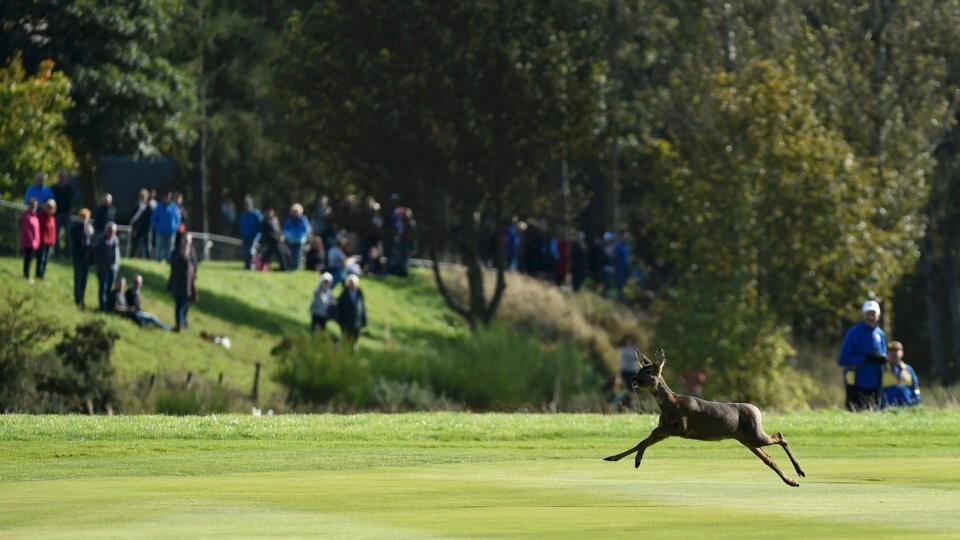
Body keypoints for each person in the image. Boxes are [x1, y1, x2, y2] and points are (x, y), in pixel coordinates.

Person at [838, 300, 888, 411]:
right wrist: (864, 358)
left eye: (873, 314)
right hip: (856, 384)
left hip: (876, 384)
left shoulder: (881, 334)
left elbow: (885, 357)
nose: (871, 317)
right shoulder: (853, 333)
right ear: (863, 315)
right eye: (868, 314)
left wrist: (883, 359)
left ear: (878, 316)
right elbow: (843, 360)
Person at [168, 233, 198, 331]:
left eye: (188, 240)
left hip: (189, 283)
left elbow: (195, 265)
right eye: (185, 239)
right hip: (178, 282)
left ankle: (184, 322)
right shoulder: (177, 250)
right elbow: (172, 262)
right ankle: (179, 325)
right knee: (179, 305)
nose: (186, 242)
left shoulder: (192, 251)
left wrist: (194, 278)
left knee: (186, 304)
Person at [882, 341, 921, 408]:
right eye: (891, 351)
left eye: (896, 351)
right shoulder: (882, 369)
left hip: (907, 403)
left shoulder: (908, 369)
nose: (894, 354)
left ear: (902, 353)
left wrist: (917, 398)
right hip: (888, 405)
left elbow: (915, 387)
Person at [93, 222, 121, 311]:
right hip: (103, 269)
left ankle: (108, 307)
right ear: (106, 230)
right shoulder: (100, 240)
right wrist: (101, 266)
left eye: (113, 231)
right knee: (103, 288)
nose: (111, 232)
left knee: (109, 287)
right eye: (109, 230)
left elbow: (117, 255)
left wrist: (116, 265)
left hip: (113, 269)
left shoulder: (115, 240)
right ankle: (102, 307)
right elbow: (96, 255)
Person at [71, 209, 95, 308]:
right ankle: (77, 298)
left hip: (87, 257)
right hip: (78, 256)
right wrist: (83, 229)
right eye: (83, 217)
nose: (84, 219)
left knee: (84, 279)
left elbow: (92, 242)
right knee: (78, 278)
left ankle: (82, 299)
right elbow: (76, 239)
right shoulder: (76, 228)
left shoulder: (90, 228)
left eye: (86, 218)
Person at [337, 274, 367, 350]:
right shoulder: (344, 294)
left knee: (355, 341)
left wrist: (364, 320)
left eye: (353, 283)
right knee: (346, 339)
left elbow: (363, 308)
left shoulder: (360, 294)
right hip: (346, 322)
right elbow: (339, 308)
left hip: (357, 322)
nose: (352, 284)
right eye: (350, 282)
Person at [151, 192, 181, 262]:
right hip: (160, 232)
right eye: (167, 197)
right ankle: (158, 261)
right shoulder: (159, 206)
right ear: (164, 197)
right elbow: (154, 218)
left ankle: (169, 261)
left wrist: (174, 228)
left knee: (170, 248)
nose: (168, 198)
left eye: (169, 197)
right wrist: (157, 227)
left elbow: (178, 219)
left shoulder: (174, 207)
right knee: (159, 247)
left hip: (171, 232)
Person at [50, 170, 74, 256]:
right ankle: (57, 253)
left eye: (64, 177)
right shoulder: (54, 188)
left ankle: (68, 253)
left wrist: (71, 211)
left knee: (68, 234)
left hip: (67, 214)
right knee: (56, 234)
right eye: (61, 176)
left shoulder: (69, 188)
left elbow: (73, 201)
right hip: (57, 214)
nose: (62, 178)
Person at [283, 203, 312, 270]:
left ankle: (297, 267)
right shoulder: (289, 220)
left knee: (298, 254)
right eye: (294, 211)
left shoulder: (303, 219)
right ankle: (292, 267)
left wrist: (303, 235)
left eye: (296, 211)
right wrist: (288, 235)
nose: (295, 213)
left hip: (300, 240)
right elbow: (286, 229)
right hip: (291, 240)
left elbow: (307, 229)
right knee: (292, 254)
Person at [238, 195, 263, 270]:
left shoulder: (256, 214)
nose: (246, 206)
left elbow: (261, 226)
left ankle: (252, 266)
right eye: (245, 205)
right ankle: (247, 266)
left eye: (248, 204)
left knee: (251, 251)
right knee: (245, 252)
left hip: (254, 236)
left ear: (251, 204)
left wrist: (258, 236)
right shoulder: (243, 214)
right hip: (245, 237)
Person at [19, 198, 40, 282]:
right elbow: (26, 230)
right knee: (27, 260)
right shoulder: (26, 216)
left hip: (35, 242)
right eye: (33, 206)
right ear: (30, 206)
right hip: (29, 242)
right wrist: (32, 242)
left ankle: (27, 276)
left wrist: (36, 241)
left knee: (30, 260)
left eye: (36, 206)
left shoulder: (35, 216)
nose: (34, 208)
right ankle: (26, 276)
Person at [36, 199, 57, 280]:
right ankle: (38, 275)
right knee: (41, 258)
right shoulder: (41, 216)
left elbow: (53, 231)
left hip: (49, 242)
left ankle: (42, 275)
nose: (50, 209)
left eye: (51, 207)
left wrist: (53, 241)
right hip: (41, 241)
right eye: (48, 207)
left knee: (45, 260)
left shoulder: (52, 218)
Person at [129, 189, 153, 259]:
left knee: (147, 245)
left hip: (146, 228)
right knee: (135, 244)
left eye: (144, 196)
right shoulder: (136, 205)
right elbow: (132, 217)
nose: (143, 197)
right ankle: (131, 257)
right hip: (137, 228)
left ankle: (148, 259)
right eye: (141, 196)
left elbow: (151, 217)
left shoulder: (149, 206)